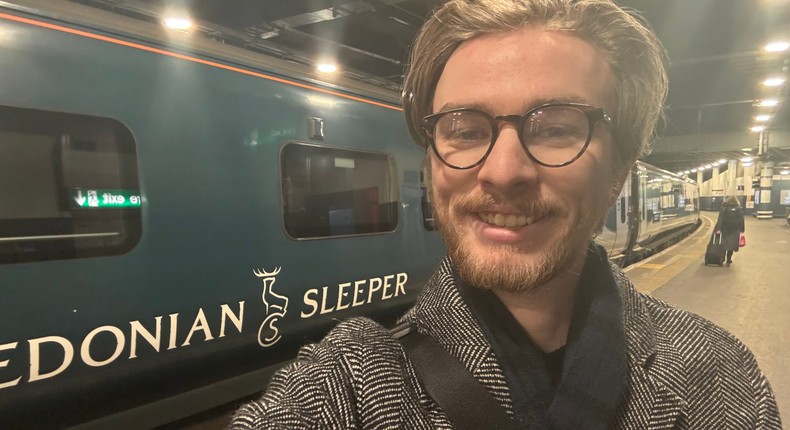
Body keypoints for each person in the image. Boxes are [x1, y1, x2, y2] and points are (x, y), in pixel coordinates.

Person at [230, 1, 782, 428]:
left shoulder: (720, 378)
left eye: (557, 127)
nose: (502, 171)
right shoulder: (342, 390)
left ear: (619, 169)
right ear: (432, 163)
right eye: (465, 130)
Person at [715, 196, 745, 265]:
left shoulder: (724, 208)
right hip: (735, 230)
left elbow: (720, 219)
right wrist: (742, 229)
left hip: (725, 229)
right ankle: (729, 259)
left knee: (724, 244)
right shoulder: (739, 209)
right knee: (731, 245)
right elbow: (741, 220)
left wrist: (718, 228)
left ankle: (722, 258)